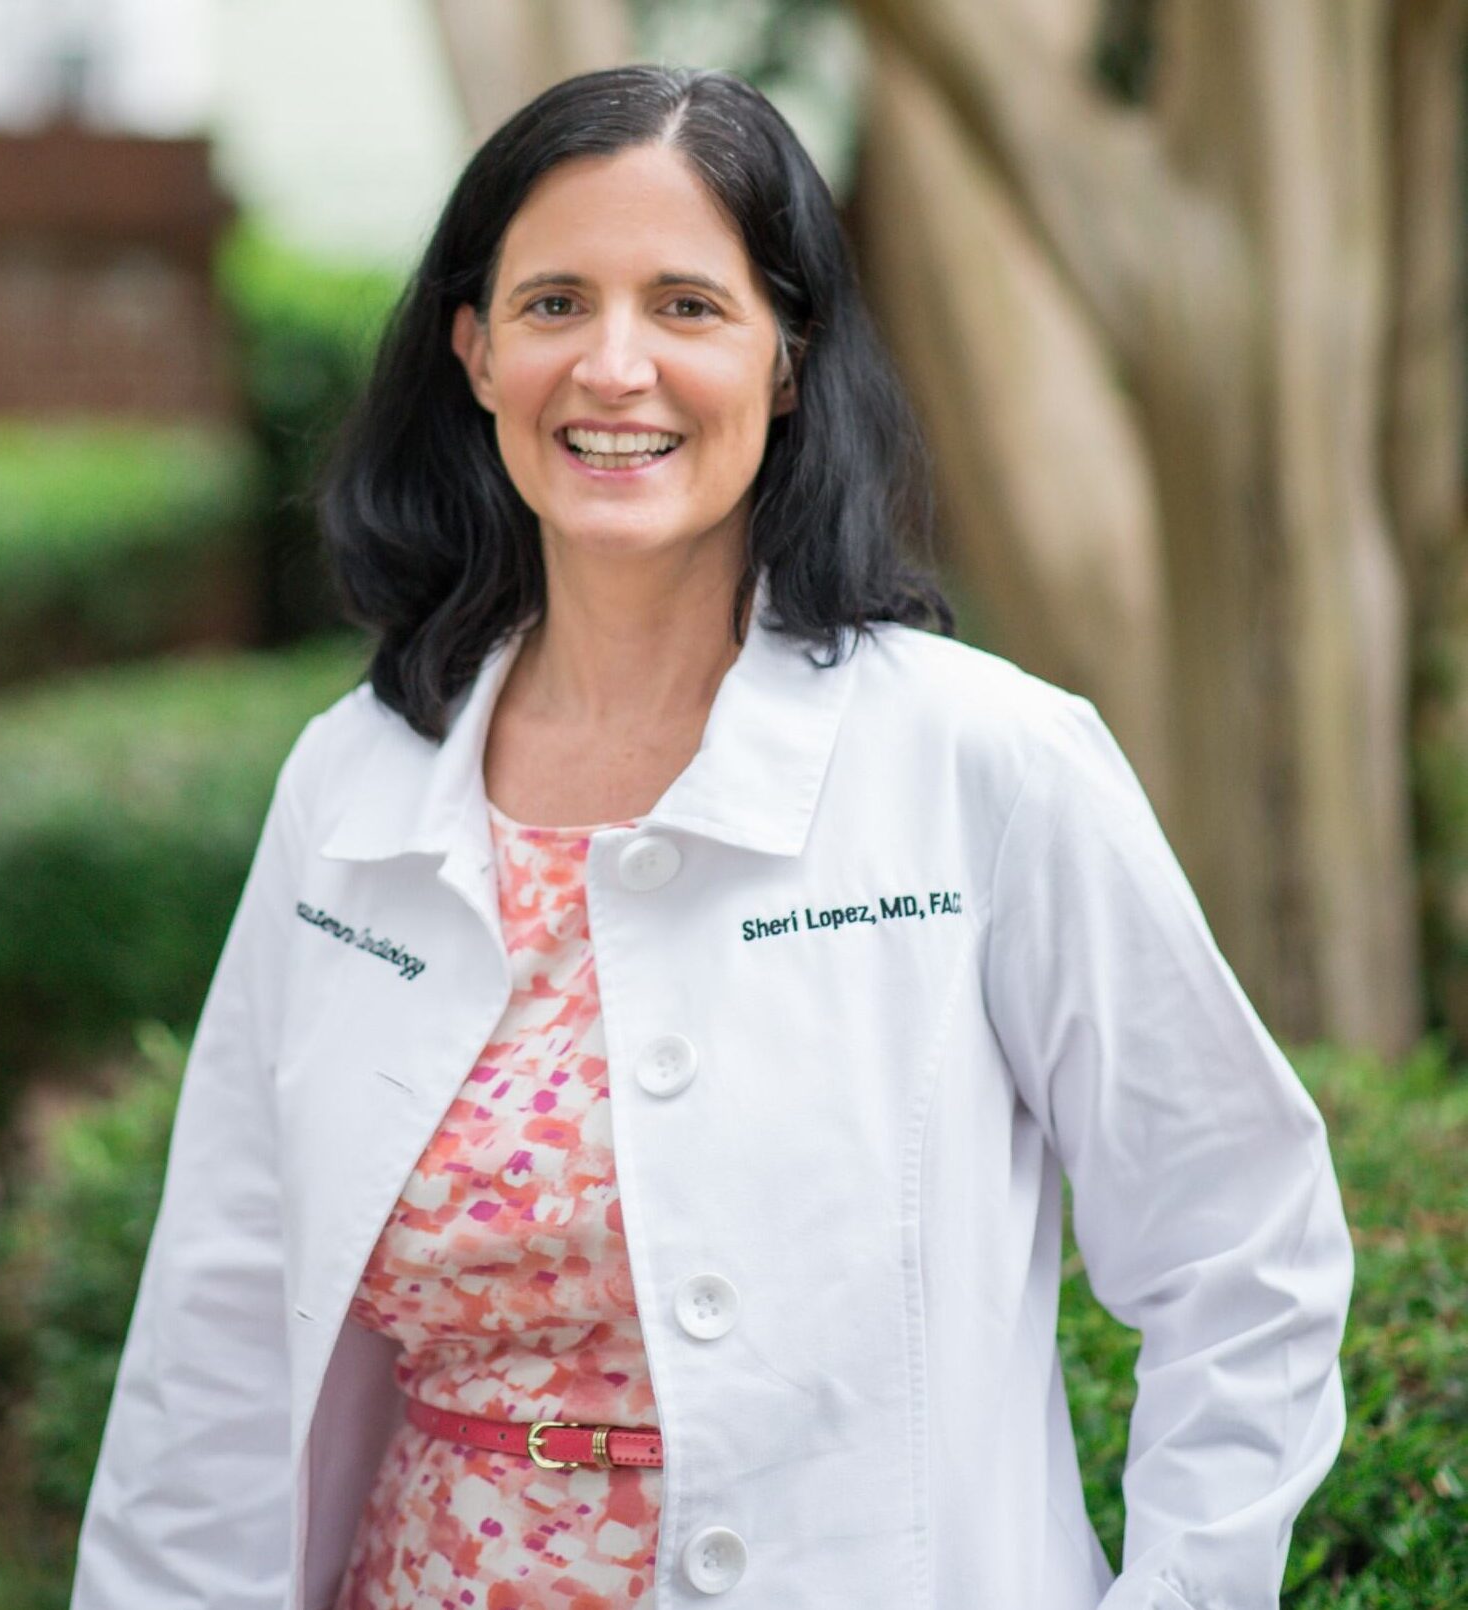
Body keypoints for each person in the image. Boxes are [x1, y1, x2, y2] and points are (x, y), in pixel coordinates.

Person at [70, 63, 1354, 1610]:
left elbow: (1243, 1248)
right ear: (473, 351)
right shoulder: (351, 783)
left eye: (687, 305)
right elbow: (218, 1317)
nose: (615, 368)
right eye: (554, 304)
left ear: (787, 357)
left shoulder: (984, 765)